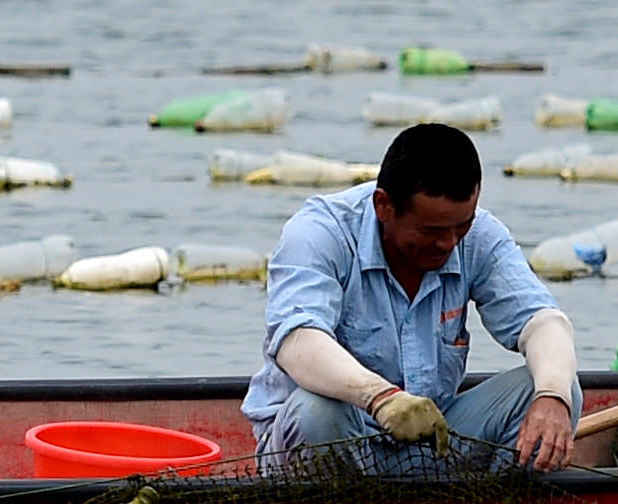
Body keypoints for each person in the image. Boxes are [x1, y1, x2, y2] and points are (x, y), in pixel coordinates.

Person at [245, 121, 582, 472]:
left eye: (461, 227)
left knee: (558, 389)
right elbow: (297, 341)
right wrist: (379, 397)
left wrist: (551, 396)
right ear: (383, 207)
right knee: (319, 411)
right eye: (432, 231)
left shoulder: (479, 235)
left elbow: (543, 322)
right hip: (334, 440)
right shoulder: (318, 234)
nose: (449, 243)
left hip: (432, 444)